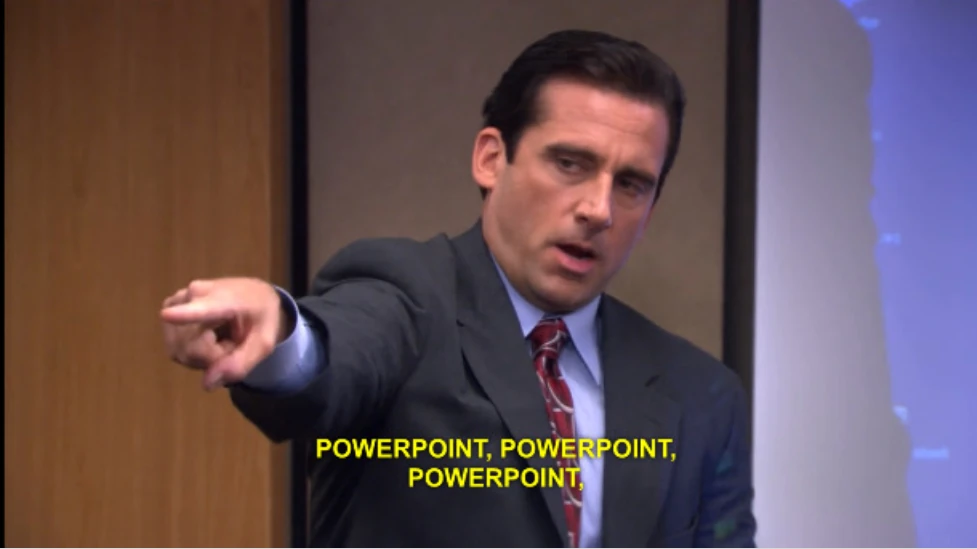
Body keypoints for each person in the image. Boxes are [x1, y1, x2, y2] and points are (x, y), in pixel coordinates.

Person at [161, 29, 756, 548]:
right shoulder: (406, 295)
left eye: (630, 184)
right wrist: (283, 336)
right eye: (570, 163)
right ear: (491, 159)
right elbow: (342, 349)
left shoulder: (702, 394)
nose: (598, 209)